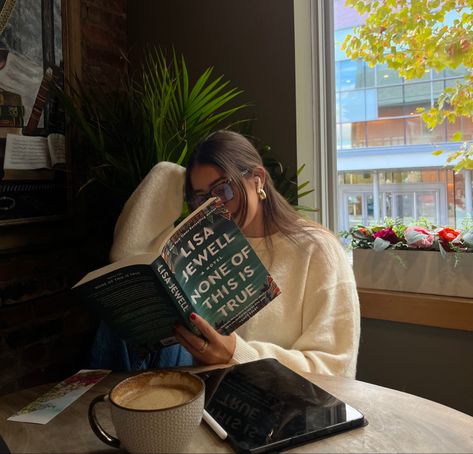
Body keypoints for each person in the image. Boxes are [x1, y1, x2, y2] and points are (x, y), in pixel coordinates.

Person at [173, 130, 360, 378]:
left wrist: (237, 354)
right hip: (206, 394)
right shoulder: (202, 252)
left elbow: (336, 370)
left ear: (258, 179)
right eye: (201, 198)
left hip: (286, 408)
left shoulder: (316, 250)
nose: (213, 207)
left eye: (222, 190)